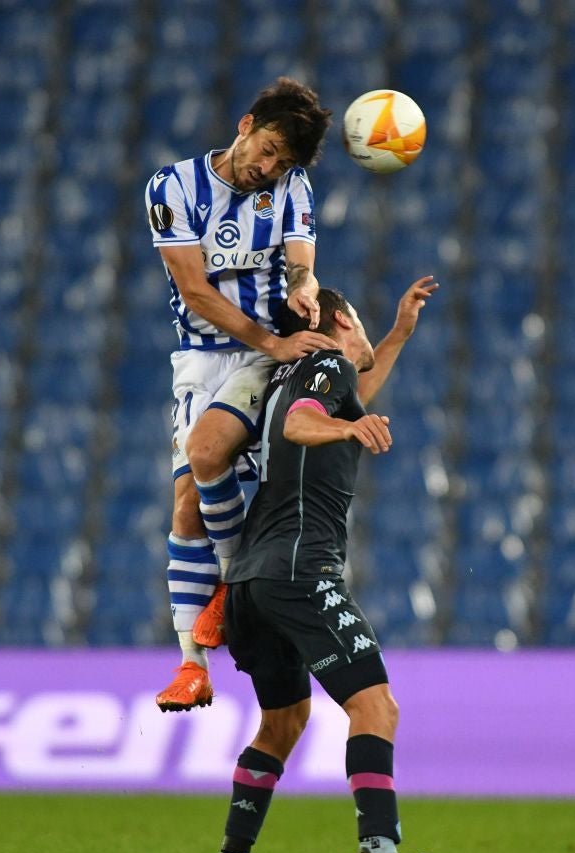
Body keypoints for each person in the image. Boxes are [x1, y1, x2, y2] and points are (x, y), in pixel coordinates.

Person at [200, 278, 446, 853]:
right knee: (375, 707)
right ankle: (379, 851)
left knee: (282, 724)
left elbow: (344, 400)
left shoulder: (303, 375)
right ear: (338, 323)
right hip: (299, 571)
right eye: (360, 321)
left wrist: (397, 333)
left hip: (251, 584)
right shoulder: (325, 366)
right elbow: (307, 424)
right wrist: (345, 432)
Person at [146, 77, 336, 712]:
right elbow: (196, 292)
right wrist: (271, 339)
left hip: (264, 359)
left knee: (206, 458)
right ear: (246, 123)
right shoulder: (172, 189)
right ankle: (191, 666)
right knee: (183, 509)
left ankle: (233, 590)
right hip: (202, 357)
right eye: (269, 149)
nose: (269, 166)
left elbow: (301, 260)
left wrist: (304, 288)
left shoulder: (292, 187)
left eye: (282, 161)